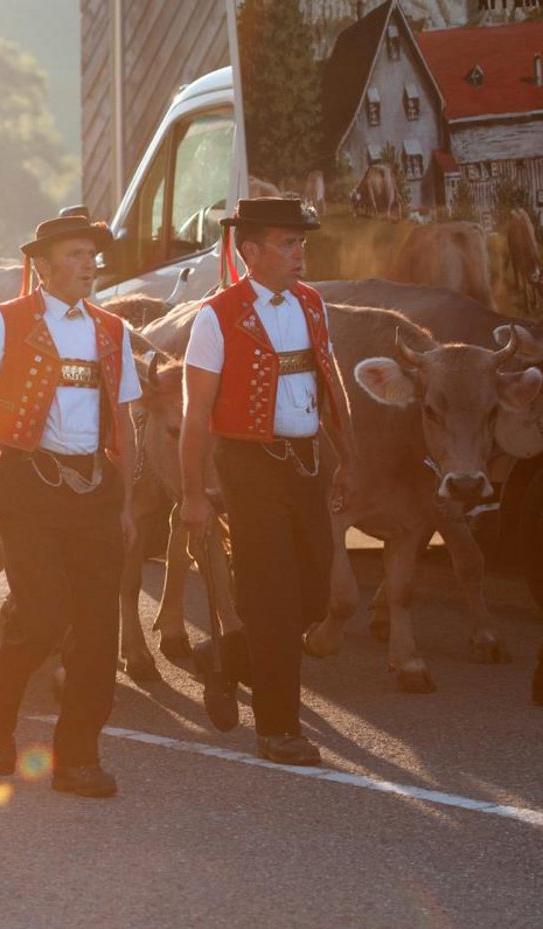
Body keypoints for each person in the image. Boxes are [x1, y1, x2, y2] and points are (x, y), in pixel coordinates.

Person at [0, 207, 140, 798]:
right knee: (46, 614)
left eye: (92, 255)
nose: (89, 265)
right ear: (45, 267)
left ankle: (77, 759)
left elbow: (125, 424)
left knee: (101, 629)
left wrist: (126, 503)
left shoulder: (112, 329)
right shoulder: (2, 322)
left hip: (94, 487)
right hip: (26, 483)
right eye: (76, 255)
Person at [180, 196, 356, 766]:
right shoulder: (217, 314)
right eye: (287, 243)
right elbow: (195, 413)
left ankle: (227, 659)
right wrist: (191, 495)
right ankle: (278, 731)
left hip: (307, 462)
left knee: (311, 594)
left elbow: (330, 387)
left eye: (301, 242)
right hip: (249, 467)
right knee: (274, 602)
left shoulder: (311, 303)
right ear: (250, 251)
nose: (300, 252)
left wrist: (347, 458)